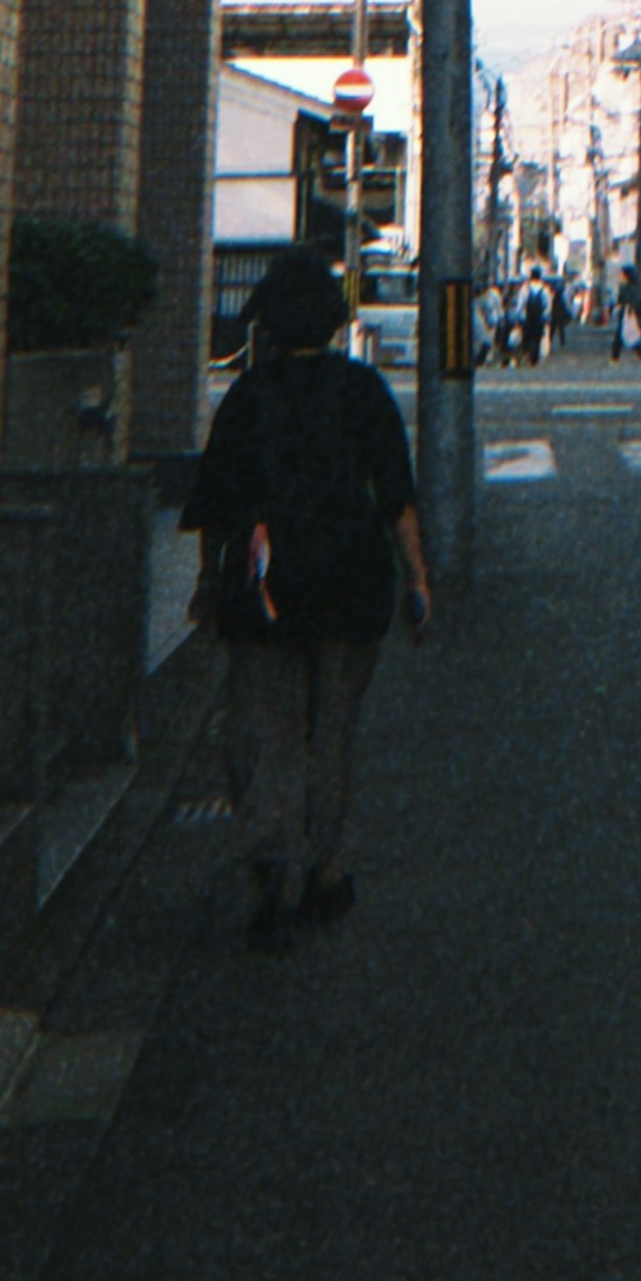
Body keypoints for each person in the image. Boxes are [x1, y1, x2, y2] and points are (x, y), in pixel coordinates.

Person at [180, 247, 431, 948]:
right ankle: (324, 866)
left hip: (267, 587)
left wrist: (208, 582)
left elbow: (218, 505)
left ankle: (274, 875)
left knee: (270, 733)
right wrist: (417, 579)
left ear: (267, 324)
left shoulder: (247, 397)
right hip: (352, 582)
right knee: (333, 732)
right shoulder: (362, 391)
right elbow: (396, 497)